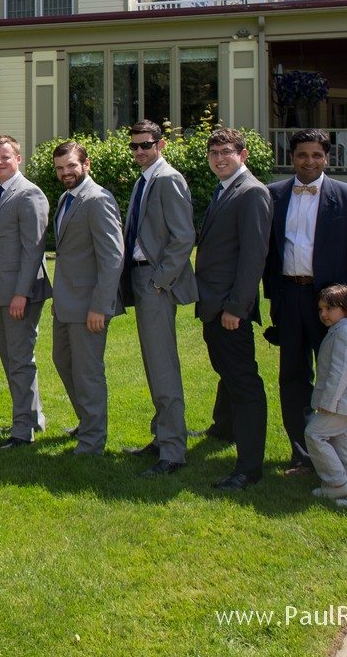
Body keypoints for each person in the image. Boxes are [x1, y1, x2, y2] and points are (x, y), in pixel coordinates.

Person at [262, 129, 347, 476]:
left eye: (316, 155)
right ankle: (303, 454)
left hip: (331, 302)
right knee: (293, 377)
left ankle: (336, 450)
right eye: (301, 155)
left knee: (334, 379)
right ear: (292, 157)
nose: (308, 161)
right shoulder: (274, 195)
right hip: (289, 297)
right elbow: (265, 251)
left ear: (327, 158)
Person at [194, 128, 272, 490]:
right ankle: (223, 429)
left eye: (226, 152)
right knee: (226, 371)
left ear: (243, 155)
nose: (219, 158)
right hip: (213, 304)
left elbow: (253, 258)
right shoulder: (225, 189)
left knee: (244, 383)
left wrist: (236, 307)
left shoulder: (252, 192)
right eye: (214, 153)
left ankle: (249, 467)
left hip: (229, 308)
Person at [119, 120, 198, 477]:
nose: (139, 151)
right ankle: (162, 435)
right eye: (134, 146)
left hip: (154, 280)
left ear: (161, 144)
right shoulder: (144, 179)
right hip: (139, 275)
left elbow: (184, 237)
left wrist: (160, 281)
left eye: (145, 145)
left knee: (163, 365)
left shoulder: (167, 179)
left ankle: (172, 451)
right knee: (154, 363)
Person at [49, 141, 123, 456]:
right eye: (60, 168)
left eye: (71, 166)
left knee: (87, 371)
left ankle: (93, 441)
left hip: (89, 307)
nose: (66, 173)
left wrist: (100, 306)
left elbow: (112, 257)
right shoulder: (66, 199)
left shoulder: (97, 200)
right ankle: (87, 422)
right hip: (66, 303)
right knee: (63, 361)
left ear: (86, 165)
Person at [0, 135, 51, 450]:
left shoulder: (29, 194)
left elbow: (34, 249)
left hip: (19, 294)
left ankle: (22, 432)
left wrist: (21, 294)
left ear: (18, 159)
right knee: (12, 359)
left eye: (5, 157)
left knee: (20, 359)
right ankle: (32, 417)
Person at [307, 284, 347, 508]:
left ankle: (337, 484)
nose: (323, 314)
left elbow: (339, 373)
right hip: (342, 404)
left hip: (339, 404)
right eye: (321, 309)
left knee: (314, 434)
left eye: (329, 309)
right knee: (343, 446)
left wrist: (328, 403)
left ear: (346, 308)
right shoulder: (340, 330)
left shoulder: (343, 333)